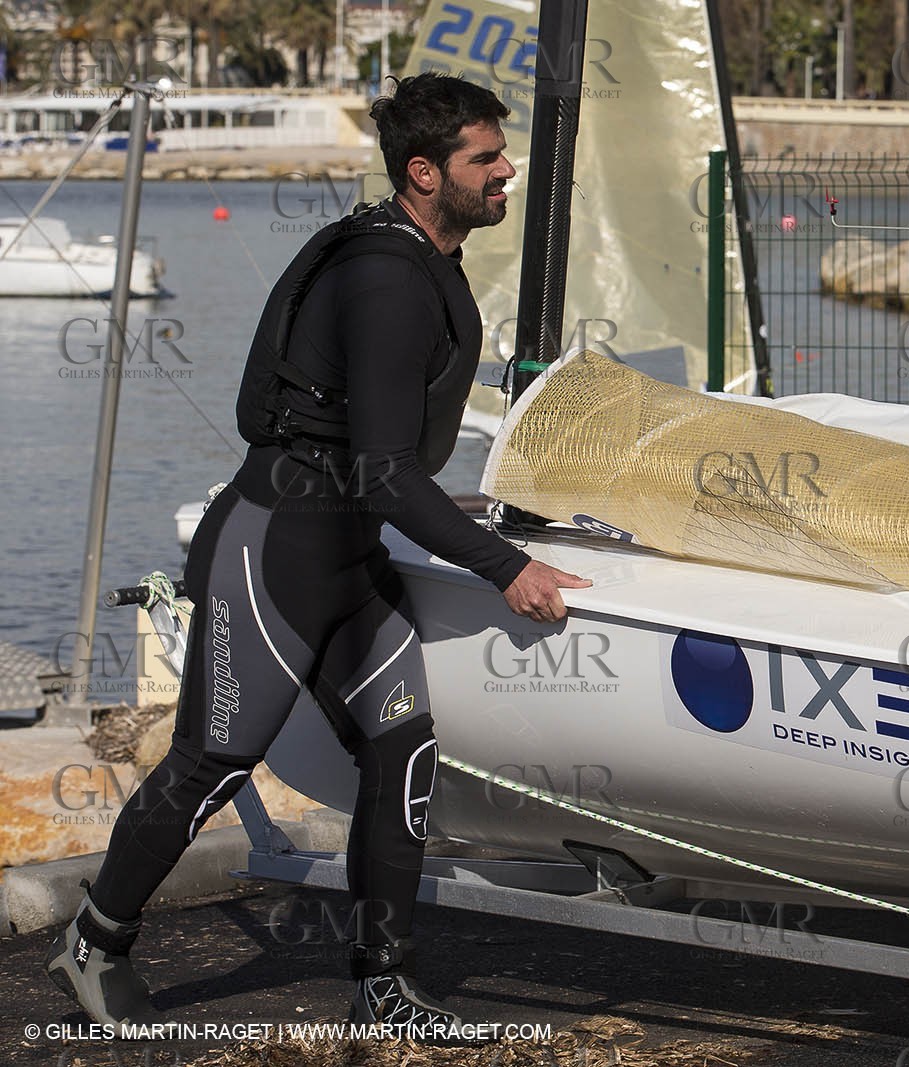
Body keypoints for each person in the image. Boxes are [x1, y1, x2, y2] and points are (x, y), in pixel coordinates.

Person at [45, 72, 589, 1038]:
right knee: (212, 763)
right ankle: (95, 936)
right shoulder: (383, 277)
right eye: (485, 158)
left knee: (403, 748)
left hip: (349, 556)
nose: (507, 170)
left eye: (502, 153)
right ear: (425, 173)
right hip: (276, 552)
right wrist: (504, 566)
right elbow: (384, 470)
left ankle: (387, 984)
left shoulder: (423, 255)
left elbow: (381, 443)